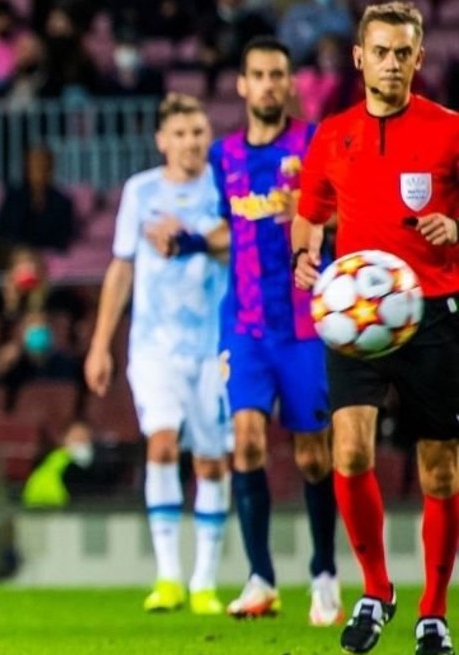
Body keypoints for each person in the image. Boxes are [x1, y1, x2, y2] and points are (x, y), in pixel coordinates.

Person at [146, 37, 341, 626]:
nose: (268, 84)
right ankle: (260, 579)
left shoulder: (313, 143)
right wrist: (185, 242)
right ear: (242, 84)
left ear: (289, 82)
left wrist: (315, 219)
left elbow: (342, 213)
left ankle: (324, 573)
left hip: (304, 324)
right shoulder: (224, 156)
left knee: (313, 455)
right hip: (245, 326)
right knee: (248, 442)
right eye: (258, 75)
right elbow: (227, 229)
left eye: (277, 74)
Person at [290, 4, 459, 653]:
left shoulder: (449, 130)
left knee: (439, 471)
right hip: (355, 318)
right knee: (350, 452)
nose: (392, 63)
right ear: (359, 58)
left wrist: (455, 227)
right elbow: (310, 213)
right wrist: (305, 253)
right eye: (381, 51)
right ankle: (376, 590)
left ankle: (433, 611)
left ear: (419, 58)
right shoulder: (332, 135)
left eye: (403, 52)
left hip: (434, 313)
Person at [83, 93, 230, 616]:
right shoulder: (140, 191)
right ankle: (168, 576)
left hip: (215, 347)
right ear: (162, 140)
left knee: (211, 462)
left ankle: (204, 582)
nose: (191, 142)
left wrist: (193, 239)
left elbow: (237, 240)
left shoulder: (224, 186)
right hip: (154, 346)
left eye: (198, 132)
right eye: (181, 134)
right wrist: (100, 343)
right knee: (162, 444)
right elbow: (121, 267)